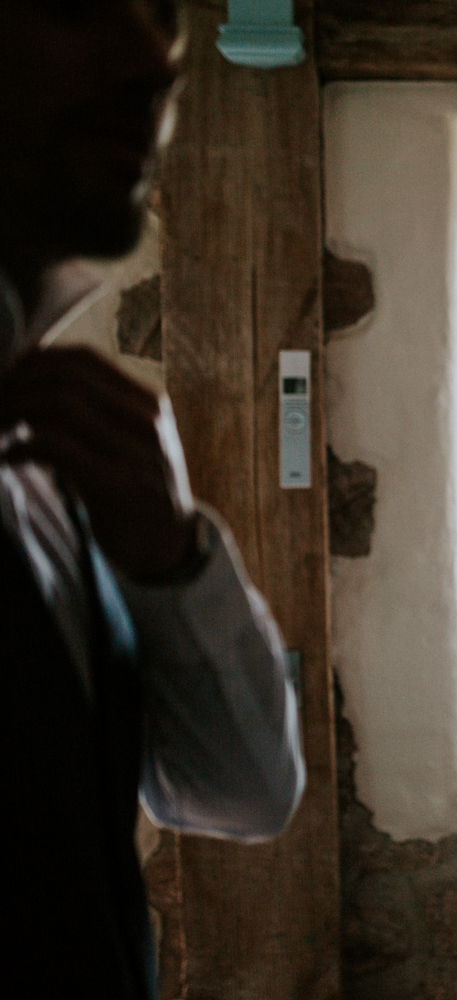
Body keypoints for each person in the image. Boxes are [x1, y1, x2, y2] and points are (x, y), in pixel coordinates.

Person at [2, 3, 306, 997]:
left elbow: (246, 790)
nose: (156, 60)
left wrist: (170, 556)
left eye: (163, 12)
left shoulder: (77, 451)